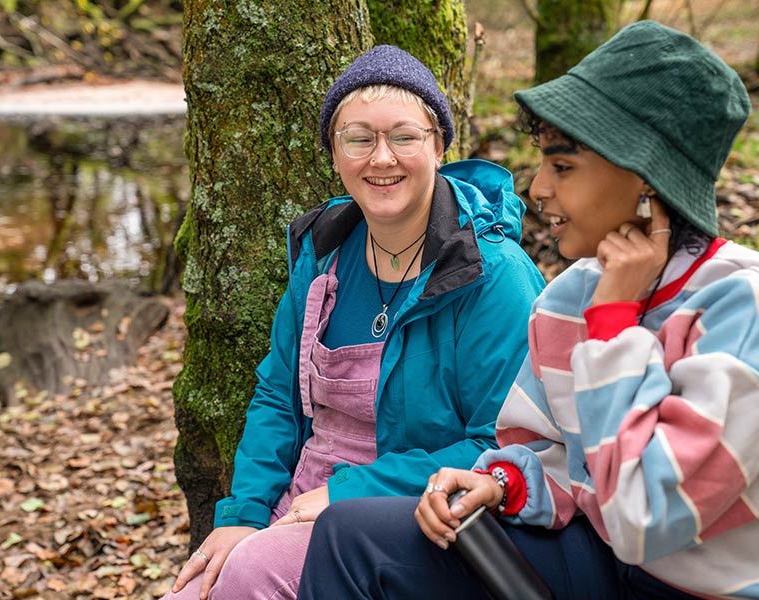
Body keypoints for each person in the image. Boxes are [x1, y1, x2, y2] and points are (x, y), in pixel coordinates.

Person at [297, 20, 757, 600]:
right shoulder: (569, 297)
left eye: (562, 167)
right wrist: (501, 479)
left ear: (647, 178)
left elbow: (645, 518)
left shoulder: (738, 307)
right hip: (597, 555)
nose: (537, 189)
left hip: (694, 584)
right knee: (349, 537)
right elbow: (557, 452)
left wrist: (613, 324)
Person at [165, 45, 544, 600]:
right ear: (335, 154)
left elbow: (509, 444)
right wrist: (243, 514)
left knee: (249, 578)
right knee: (197, 588)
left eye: (404, 137)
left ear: (438, 145)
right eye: (359, 138)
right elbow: (277, 397)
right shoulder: (324, 254)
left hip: (418, 517)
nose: (382, 158)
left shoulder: (492, 275)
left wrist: (347, 492)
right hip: (300, 497)